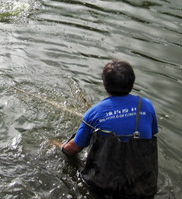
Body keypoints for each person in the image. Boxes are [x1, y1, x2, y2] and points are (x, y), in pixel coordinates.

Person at [61, 60, 158, 198]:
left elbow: (74, 148)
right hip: (143, 187)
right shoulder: (147, 106)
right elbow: (151, 135)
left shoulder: (94, 113)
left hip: (103, 187)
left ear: (105, 85)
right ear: (132, 85)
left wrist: (61, 148)